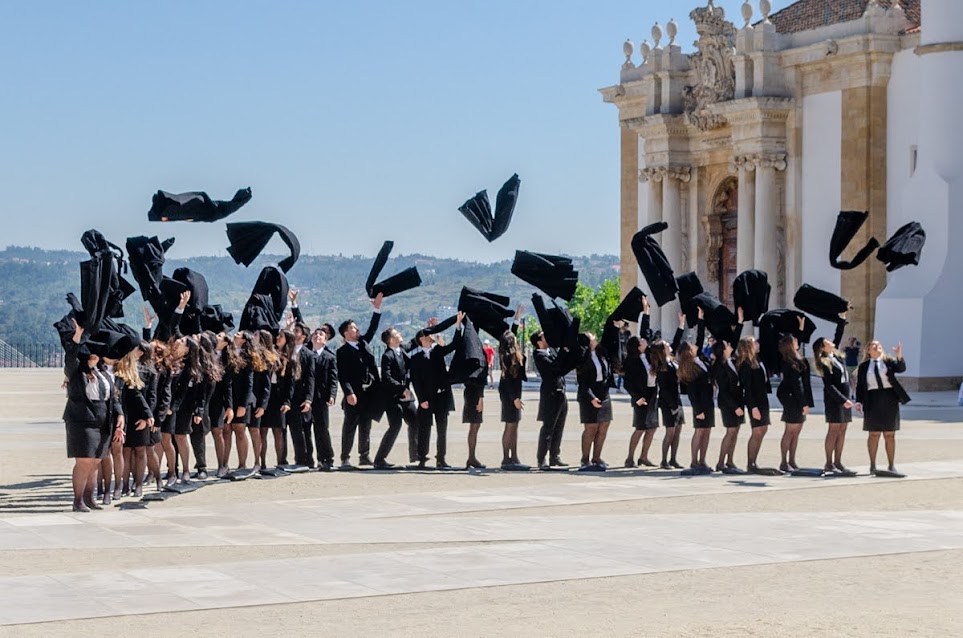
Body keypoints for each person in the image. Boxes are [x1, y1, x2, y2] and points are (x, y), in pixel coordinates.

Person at [62, 319, 124, 511]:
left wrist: (119, 414)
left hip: (103, 419)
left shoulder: (104, 372)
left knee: (96, 460)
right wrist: (77, 338)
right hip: (82, 421)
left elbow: (113, 396)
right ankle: (78, 499)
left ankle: (89, 497)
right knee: (84, 460)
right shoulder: (76, 372)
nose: (95, 357)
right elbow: (70, 359)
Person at [410, 312, 464, 469]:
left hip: (442, 396)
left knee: (442, 430)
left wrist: (458, 325)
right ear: (421, 339)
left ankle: (441, 458)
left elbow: (454, 344)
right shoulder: (416, 359)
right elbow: (415, 380)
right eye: (428, 335)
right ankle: (422, 458)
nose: (431, 336)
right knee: (424, 429)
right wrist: (421, 399)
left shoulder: (438, 352)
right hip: (426, 398)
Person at [337, 293, 385, 469]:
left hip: (369, 393)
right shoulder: (342, 352)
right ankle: (345, 457)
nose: (357, 330)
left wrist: (377, 308)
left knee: (366, 425)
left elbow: (372, 328)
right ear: (346, 332)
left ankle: (364, 455)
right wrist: (349, 393)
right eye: (353, 328)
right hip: (354, 394)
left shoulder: (363, 343)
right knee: (350, 426)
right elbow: (342, 375)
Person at [855, 340, 910, 477]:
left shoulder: (888, 361)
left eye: (879, 345)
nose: (877, 346)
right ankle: (872, 465)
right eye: (874, 345)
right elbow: (860, 386)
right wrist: (858, 401)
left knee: (889, 434)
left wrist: (899, 355)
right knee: (874, 434)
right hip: (872, 399)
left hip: (889, 398)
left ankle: (891, 465)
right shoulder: (864, 366)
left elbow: (901, 368)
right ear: (868, 350)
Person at [374, 326, 418, 469]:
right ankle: (379, 460)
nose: (400, 334)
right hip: (393, 398)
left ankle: (416, 455)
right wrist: (401, 388)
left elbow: (414, 342)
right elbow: (386, 377)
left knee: (415, 421)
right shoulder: (387, 355)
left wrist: (429, 330)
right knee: (395, 426)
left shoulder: (401, 350)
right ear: (392, 340)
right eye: (397, 333)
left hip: (406, 397)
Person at [813, 320, 853, 473]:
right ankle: (829, 463)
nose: (831, 342)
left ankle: (838, 462)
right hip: (835, 399)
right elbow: (829, 385)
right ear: (823, 347)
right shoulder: (824, 361)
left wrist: (841, 320)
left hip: (845, 397)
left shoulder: (836, 357)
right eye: (827, 342)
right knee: (834, 429)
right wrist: (843, 400)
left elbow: (838, 337)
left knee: (843, 429)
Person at [116, 346, 153, 498]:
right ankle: (125, 485)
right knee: (125, 451)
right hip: (125, 415)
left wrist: (147, 416)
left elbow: (149, 396)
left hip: (140, 416)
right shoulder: (120, 370)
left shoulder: (146, 370)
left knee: (140, 450)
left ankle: (138, 484)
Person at [650, 314, 686, 470]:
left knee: (678, 431)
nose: (669, 345)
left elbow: (676, 343)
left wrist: (681, 324)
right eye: (666, 345)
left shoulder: (670, 361)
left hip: (676, 399)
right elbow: (664, 390)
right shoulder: (662, 367)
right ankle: (664, 460)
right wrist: (672, 405)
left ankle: (673, 459)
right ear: (662, 350)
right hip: (668, 402)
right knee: (670, 431)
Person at [776, 331, 814, 473]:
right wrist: (803, 403)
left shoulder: (798, 359)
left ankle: (792, 460)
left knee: (796, 431)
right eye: (794, 341)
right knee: (790, 431)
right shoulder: (789, 362)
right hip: (793, 399)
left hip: (797, 398)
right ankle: (784, 461)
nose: (797, 341)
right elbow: (796, 384)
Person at [531, 331, 571, 470]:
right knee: (548, 427)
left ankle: (555, 455)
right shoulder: (539, 355)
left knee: (559, 426)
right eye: (543, 336)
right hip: (551, 394)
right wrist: (563, 352)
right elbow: (553, 368)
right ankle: (541, 458)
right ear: (538, 341)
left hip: (561, 392)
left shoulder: (550, 351)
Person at [575, 331, 613, 471]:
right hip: (589, 394)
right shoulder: (582, 358)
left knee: (603, 426)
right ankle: (585, 459)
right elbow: (582, 383)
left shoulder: (601, 353)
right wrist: (591, 398)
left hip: (603, 393)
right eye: (591, 337)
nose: (594, 338)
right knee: (591, 428)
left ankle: (597, 457)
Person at [677, 334, 715, 474]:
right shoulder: (690, 367)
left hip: (708, 401)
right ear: (688, 350)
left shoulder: (701, 360)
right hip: (700, 404)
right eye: (692, 344)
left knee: (707, 431)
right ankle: (694, 461)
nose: (695, 345)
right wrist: (698, 409)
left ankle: (702, 460)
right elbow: (692, 391)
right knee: (699, 431)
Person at [737, 335, 773, 474]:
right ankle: (750, 462)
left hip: (762, 398)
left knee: (763, 429)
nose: (757, 344)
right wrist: (753, 407)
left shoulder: (757, 359)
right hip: (755, 401)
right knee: (757, 430)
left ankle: (754, 461)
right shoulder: (745, 364)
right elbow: (748, 388)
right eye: (754, 343)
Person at [623, 335, 658, 468]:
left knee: (652, 428)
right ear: (638, 346)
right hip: (641, 397)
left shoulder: (649, 355)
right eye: (641, 340)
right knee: (640, 428)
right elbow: (628, 383)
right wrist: (636, 397)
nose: (644, 340)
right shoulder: (632, 361)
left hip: (652, 394)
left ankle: (644, 456)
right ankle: (629, 458)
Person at [711, 338, 745, 473]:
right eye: (727, 345)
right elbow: (724, 390)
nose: (730, 346)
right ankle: (720, 462)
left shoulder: (731, 362)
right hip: (728, 402)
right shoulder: (720, 366)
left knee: (735, 431)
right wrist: (734, 407)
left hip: (737, 399)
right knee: (730, 431)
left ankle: (730, 460)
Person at [309, 324, 339, 470]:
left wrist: (332, 395)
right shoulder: (306, 353)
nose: (317, 336)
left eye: (321, 335)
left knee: (322, 429)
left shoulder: (330, 357)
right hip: (306, 397)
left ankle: (326, 458)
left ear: (325, 340)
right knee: (306, 428)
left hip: (322, 397)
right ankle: (307, 458)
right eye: (315, 334)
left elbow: (333, 379)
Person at [498, 329, 527, 469]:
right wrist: (515, 397)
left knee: (514, 425)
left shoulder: (510, 354)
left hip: (512, 393)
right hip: (510, 394)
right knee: (510, 425)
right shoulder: (509, 357)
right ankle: (506, 458)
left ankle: (513, 456)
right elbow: (509, 380)